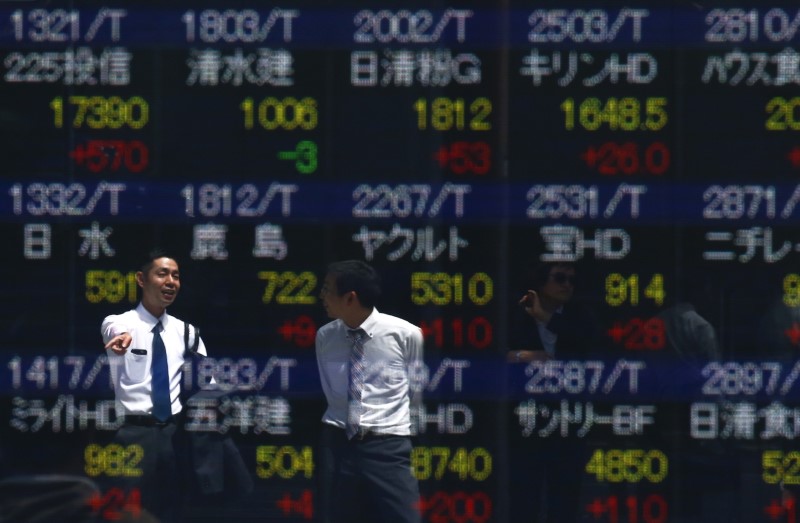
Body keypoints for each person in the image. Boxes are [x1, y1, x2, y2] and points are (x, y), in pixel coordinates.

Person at [100, 248, 207, 522]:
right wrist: (122, 340)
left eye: (176, 276)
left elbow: (209, 381)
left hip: (174, 435)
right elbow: (114, 332)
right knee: (125, 513)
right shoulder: (120, 322)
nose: (171, 281)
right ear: (141, 279)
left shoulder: (187, 332)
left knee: (172, 511)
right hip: (131, 435)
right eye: (162, 274)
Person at [315, 260, 423, 523]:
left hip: (387, 446)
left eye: (328, 289)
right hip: (337, 444)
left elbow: (415, 392)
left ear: (350, 297)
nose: (322, 296)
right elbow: (330, 391)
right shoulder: (325, 336)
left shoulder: (406, 334)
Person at [506, 260, 597, 523]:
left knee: (565, 498)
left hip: (569, 420)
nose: (567, 285)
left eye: (571, 280)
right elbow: (496, 354)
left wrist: (545, 318)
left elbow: (587, 343)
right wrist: (525, 356)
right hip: (526, 419)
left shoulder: (580, 316)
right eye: (560, 278)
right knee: (524, 497)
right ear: (540, 282)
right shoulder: (516, 315)